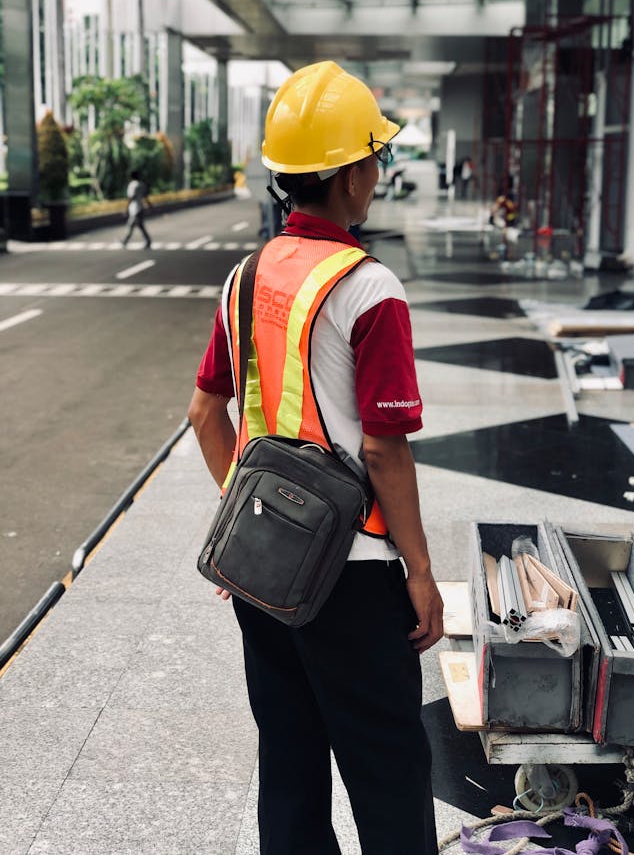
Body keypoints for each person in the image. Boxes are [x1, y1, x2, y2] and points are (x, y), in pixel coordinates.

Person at [188, 60, 443, 855]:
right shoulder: (371, 290)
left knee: (290, 770)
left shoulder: (244, 275)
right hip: (357, 579)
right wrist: (422, 572)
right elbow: (383, 449)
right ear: (353, 176)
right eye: (375, 157)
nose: (378, 171)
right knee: (389, 771)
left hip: (266, 573)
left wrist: (255, 526)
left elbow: (205, 414)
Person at [122, 170, 152, 247]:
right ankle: (147, 240)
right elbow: (145, 196)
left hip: (134, 209)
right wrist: (149, 205)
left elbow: (131, 197)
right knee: (139, 225)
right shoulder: (141, 184)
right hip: (141, 207)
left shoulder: (132, 185)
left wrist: (126, 208)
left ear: (131, 177)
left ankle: (125, 241)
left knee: (131, 225)